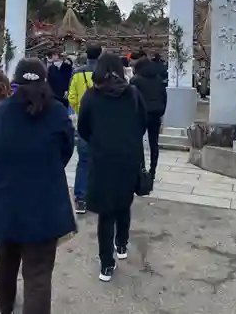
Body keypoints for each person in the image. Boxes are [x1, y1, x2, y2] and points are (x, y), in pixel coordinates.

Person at [0, 58, 76, 314]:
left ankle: (6, 308)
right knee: (38, 277)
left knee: (6, 267)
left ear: (15, 82)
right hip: (44, 204)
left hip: (6, 202)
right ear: (45, 81)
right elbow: (66, 151)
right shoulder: (58, 112)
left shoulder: (0, 112)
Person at [78, 53, 146, 282]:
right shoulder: (133, 94)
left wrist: (99, 140)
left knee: (105, 213)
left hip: (102, 158)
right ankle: (122, 244)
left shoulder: (91, 96)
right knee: (123, 203)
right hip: (127, 158)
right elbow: (142, 123)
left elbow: (83, 128)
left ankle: (106, 264)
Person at [68, 44, 102, 214]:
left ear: (86, 55)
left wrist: (79, 110)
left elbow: (72, 96)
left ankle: (80, 199)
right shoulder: (106, 73)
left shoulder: (77, 72)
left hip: (84, 122)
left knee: (83, 161)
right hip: (102, 123)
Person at [131, 57, 167, 181]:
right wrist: (162, 111)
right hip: (156, 113)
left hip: (140, 115)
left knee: (138, 142)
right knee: (154, 143)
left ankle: (142, 168)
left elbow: (132, 98)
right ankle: (153, 170)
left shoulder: (136, 81)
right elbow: (164, 97)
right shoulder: (158, 80)